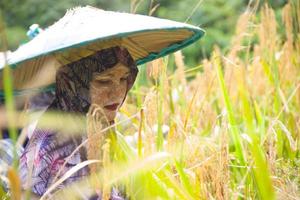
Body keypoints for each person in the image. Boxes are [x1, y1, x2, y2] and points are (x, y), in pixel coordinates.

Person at [19, 46, 138, 199]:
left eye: (123, 79)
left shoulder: (108, 133)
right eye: (104, 81)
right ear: (72, 84)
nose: (117, 92)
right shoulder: (51, 150)